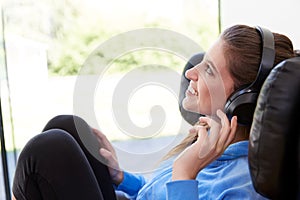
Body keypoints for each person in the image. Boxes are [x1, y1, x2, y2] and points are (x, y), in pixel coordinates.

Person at [12, 24, 297, 200]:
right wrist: (121, 176)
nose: (192, 72)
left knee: (48, 149)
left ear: (242, 101)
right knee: (67, 126)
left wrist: (185, 172)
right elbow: (157, 192)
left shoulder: (246, 187)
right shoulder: (212, 147)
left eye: (208, 69)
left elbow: (179, 185)